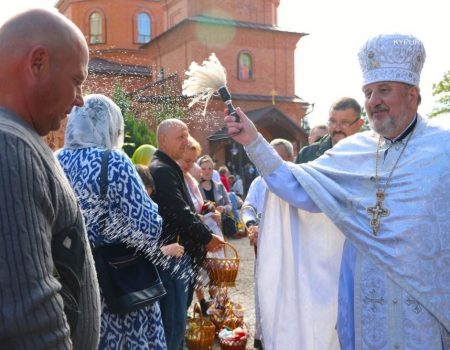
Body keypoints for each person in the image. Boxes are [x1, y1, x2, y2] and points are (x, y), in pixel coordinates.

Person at [226, 33, 450, 349]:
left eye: (384, 90)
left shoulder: (444, 150)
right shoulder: (354, 151)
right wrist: (253, 142)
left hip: (423, 307)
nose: (374, 101)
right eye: (369, 92)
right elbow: (298, 186)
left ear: (413, 95)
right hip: (365, 300)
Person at [0, 8, 100, 349]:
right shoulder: (11, 146)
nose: (80, 98)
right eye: (76, 80)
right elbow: (30, 321)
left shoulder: (18, 139)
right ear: (38, 63)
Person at [57, 94, 168, 349]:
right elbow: (148, 227)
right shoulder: (114, 161)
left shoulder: (55, 159)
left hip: (71, 281)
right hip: (118, 286)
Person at [149, 119, 224, 350]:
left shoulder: (169, 167)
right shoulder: (161, 170)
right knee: (173, 325)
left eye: (187, 134)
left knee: (177, 321)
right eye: (180, 136)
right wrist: (207, 237)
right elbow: (179, 212)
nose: (186, 140)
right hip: (172, 259)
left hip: (180, 257)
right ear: (163, 140)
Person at [241, 138, 295, 350]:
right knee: (265, 293)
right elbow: (247, 208)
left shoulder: (298, 179)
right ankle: (265, 339)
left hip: (293, 252)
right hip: (265, 250)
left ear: (291, 158)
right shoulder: (259, 182)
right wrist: (252, 225)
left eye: (280, 157)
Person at [296, 98, 363, 164]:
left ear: (359, 124)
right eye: (333, 122)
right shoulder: (307, 155)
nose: (337, 129)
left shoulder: (369, 154)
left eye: (344, 123)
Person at [198, 156, 234, 238]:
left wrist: (223, 209)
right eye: (204, 169)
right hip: (202, 230)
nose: (207, 172)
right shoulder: (195, 187)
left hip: (218, 228)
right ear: (199, 169)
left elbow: (230, 205)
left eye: (210, 169)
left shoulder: (220, 186)